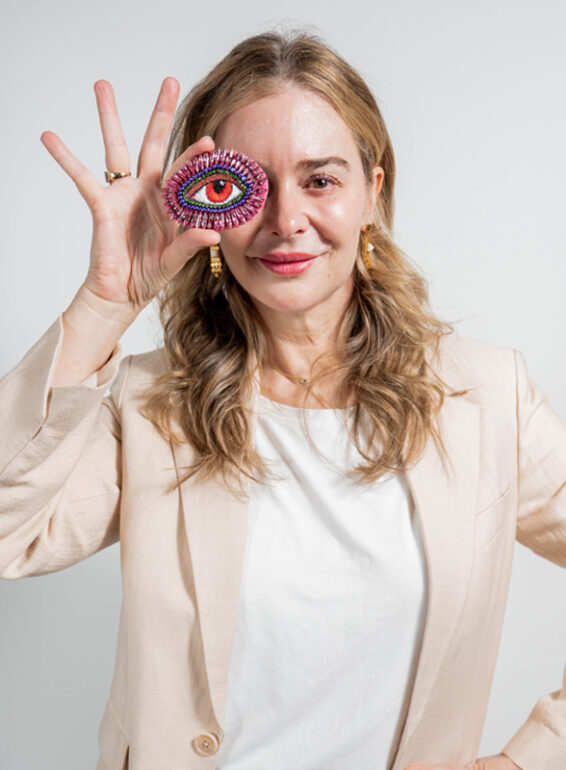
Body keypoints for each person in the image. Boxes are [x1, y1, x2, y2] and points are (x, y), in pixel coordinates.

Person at [0, 28, 564, 770]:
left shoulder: (486, 397)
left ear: (372, 192)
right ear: (205, 203)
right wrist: (106, 302)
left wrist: (533, 756)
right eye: (248, 187)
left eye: (320, 180)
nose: (285, 221)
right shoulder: (147, 406)